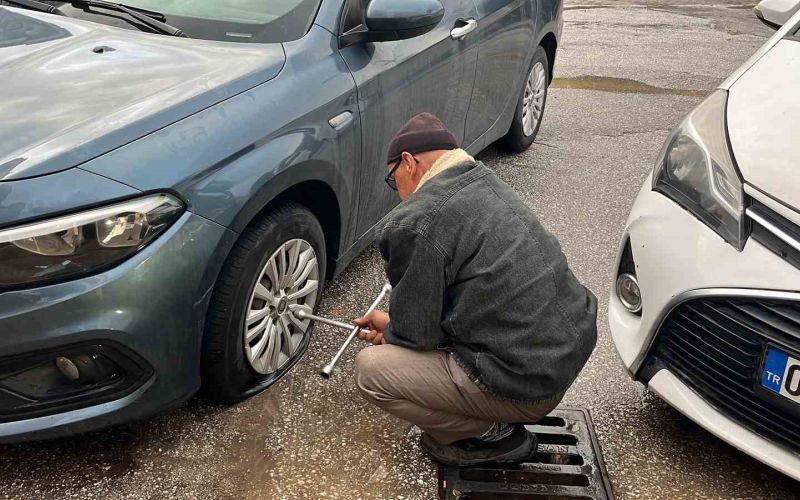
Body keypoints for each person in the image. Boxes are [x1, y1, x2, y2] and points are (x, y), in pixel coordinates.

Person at [353, 112, 597, 466]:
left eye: (394, 179)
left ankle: (490, 434)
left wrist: (394, 332)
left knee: (372, 371)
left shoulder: (416, 221)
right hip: (562, 356)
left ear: (409, 163)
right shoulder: (483, 182)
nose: (398, 191)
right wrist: (394, 326)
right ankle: (494, 413)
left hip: (526, 384)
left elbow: (417, 336)